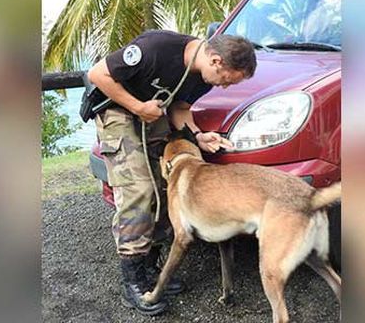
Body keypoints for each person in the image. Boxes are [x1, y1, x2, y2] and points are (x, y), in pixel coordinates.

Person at [87, 30, 256, 315]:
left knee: (167, 189)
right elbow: (97, 75)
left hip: (153, 114)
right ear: (216, 61)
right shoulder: (157, 49)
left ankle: (152, 266)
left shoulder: (202, 76)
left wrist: (198, 136)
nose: (225, 87)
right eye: (228, 80)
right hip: (118, 110)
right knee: (139, 190)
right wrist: (138, 107)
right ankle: (134, 281)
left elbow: (180, 108)